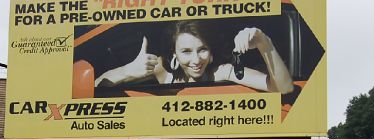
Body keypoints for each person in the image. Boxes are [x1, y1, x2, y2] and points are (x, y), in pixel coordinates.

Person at [94, 20, 294, 94]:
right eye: (186, 52)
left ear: (212, 52)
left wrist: (263, 43)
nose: (196, 60)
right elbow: (96, 86)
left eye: (202, 49)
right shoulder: (161, 69)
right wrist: (127, 71)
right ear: (174, 54)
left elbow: (283, 88)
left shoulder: (223, 71)